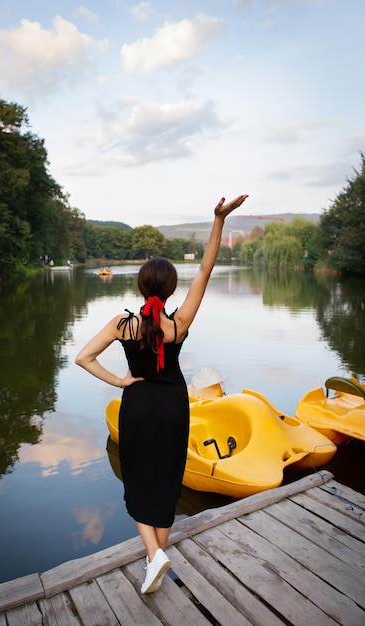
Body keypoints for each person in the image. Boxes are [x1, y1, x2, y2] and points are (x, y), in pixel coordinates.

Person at [75, 193, 248, 593]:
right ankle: (156, 562)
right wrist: (218, 220)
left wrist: (120, 382)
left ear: (140, 285)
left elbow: (84, 358)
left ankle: (154, 557)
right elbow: (205, 269)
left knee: (136, 478)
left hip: (137, 403)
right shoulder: (180, 323)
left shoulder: (123, 323)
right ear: (171, 289)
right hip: (173, 405)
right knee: (168, 479)